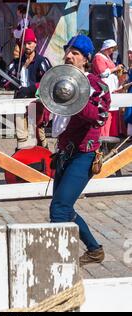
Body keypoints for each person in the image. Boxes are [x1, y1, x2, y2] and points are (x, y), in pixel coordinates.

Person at [50, 34, 111, 267]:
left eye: (75, 53)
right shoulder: (57, 81)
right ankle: (94, 249)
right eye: (68, 51)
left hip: (84, 155)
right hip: (64, 153)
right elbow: (47, 106)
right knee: (63, 207)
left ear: (85, 59)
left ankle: (57, 262)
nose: (68, 56)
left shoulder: (97, 86)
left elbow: (98, 117)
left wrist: (73, 96)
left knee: (59, 208)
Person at [8, 28, 51, 150]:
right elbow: (5, 80)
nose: (27, 46)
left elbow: (48, 81)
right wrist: (12, 83)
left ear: (35, 43)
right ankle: (23, 161)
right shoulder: (16, 63)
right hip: (19, 101)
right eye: (24, 43)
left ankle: (45, 160)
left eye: (29, 43)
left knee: (38, 133)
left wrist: (32, 88)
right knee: (21, 134)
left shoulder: (42, 61)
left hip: (36, 102)